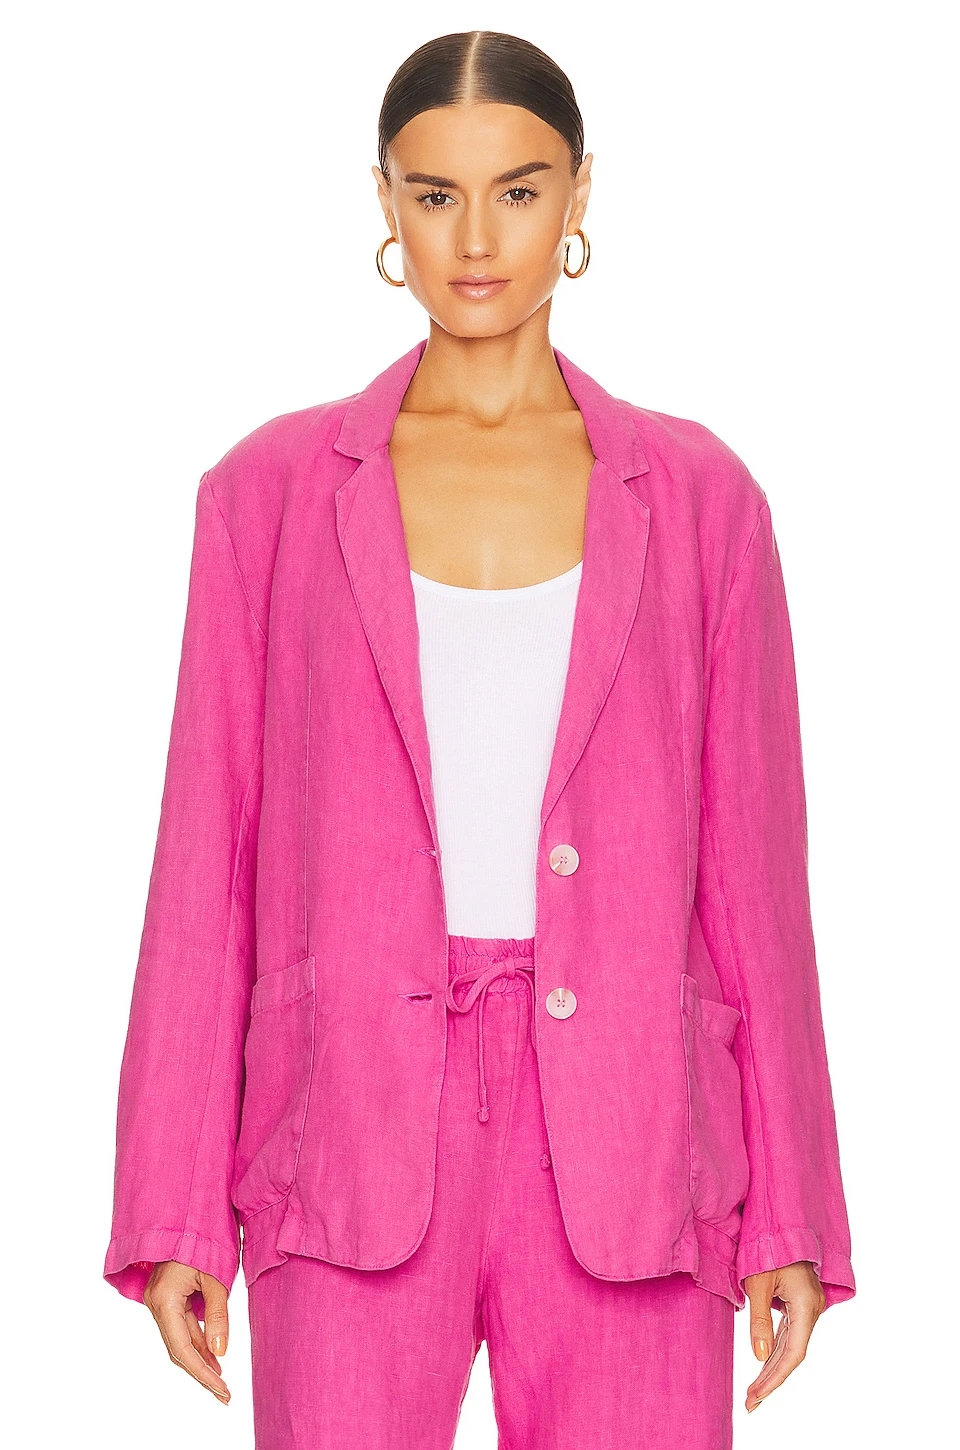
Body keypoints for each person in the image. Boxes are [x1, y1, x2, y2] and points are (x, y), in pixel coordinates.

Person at [103, 29, 856, 1449]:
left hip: (636, 1129)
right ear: (384, 201)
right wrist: (174, 1203)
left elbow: (758, 886)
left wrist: (791, 1211)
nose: (475, 239)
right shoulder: (268, 494)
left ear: (579, 196)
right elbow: (208, 861)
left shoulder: (702, 501)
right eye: (434, 193)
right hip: (343, 1122)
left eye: (518, 190)